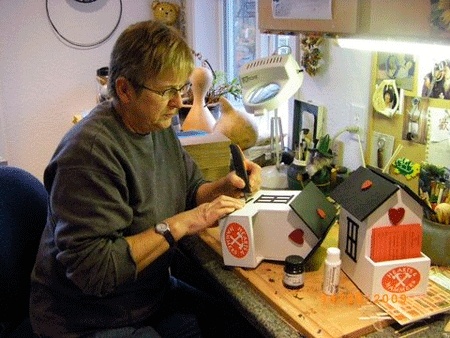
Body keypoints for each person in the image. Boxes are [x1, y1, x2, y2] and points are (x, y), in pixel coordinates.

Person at [30, 20, 261, 338]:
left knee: (241, 325)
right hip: (88, 319)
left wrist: (224, 188)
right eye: (166, 91)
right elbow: (95, 273)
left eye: (180, 89)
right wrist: (181, 224)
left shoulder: (158, 126)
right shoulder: (90, 155)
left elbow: (191, 190)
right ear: (124, 89)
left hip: (146, 297)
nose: (178, 102)